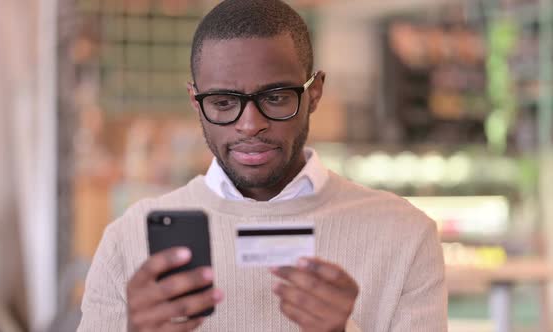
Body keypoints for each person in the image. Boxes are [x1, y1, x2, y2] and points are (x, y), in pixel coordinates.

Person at [78, 1, 447, 331]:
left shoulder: (404, 236)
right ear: (195, 101)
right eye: (223, 102)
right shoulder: (127, 241)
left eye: (275, 97)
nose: (250, 124)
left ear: (314, 92)